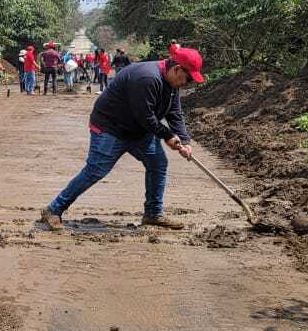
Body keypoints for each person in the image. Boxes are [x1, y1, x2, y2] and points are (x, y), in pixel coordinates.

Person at [41, 47, 206, 231]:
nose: (187, 83)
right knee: (95, 170)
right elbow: (146, 116)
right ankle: (53, 210)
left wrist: (184, 141)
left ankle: (153, 214)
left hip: (138, 130)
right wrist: (167, 136)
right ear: (176, 69)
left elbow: (174, 112)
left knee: (158, 163)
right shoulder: (147, 78)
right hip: (111, 128)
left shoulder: (172, 85)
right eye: (188, 78)